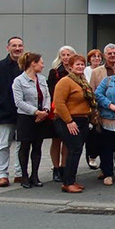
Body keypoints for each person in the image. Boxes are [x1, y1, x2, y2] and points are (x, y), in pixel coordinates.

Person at [52, 54, 95, 193]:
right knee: (74, 148)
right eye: (77, 64)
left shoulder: (82, 81)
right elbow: (59, 103)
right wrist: (69, 121)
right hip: (68, 120)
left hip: (83, 119)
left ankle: (72, 179)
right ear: (70, 67)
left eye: (82, 64)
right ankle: (67, 182)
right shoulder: (65, 82)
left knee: (77, 150)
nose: (80, 67)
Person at [11, 52, 51, 188]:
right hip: (26, 118)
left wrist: (45, 111)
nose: (43, 65)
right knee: (24, 147)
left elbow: (47, 96)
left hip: (41, 118)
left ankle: (35, 175)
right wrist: (35, 112)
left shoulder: (41, 79)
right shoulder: (19, 81)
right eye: (41, 62)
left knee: (37, 147)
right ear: (33, 63)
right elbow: (19, 102)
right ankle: (24, 176)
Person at [0, 36, 25, 187]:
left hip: (23, 113)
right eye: (14, 46)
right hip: (5, 113)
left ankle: (19, 173)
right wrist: (3, 102)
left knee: (21, 144)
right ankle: (2, 174)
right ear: (8, 48)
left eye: (20, 46)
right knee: (4, 145)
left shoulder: (26, 66)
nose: (17, 48)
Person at [46, 45, 74, 182]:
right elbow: (52, 93)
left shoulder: (77, 71)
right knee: (56, 140)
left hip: (73, 110)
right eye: (63, 55)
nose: (66, 57)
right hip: (58, 111)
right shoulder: (55, 72)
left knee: (68, 142)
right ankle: (56, 168)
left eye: (68, 55)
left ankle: (64, 167)